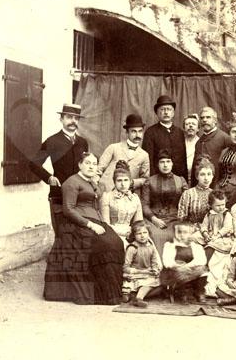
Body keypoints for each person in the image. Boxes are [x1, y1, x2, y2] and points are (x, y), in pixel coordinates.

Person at [43, 152, 124, 305]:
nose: (91, 166)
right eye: (87, 163)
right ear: (80, 164)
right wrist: (90, 225)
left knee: (116, 242)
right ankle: (102, 294)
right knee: (105, 245)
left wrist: (100, 223)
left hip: (95, 220)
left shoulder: (91, 182)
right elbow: (68, 209)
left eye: (94, 164)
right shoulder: (72, 182)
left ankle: (113, 291)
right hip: (77, 224)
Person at [29, 103, 89, 236]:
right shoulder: (52, 141)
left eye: (76, 118)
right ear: (61, 119)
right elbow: (33, 164)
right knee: (64, 234)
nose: (73, 121)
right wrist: (49, 178)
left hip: (80, 196)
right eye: (69, 117)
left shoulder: (83, 142)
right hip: (60, 195)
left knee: (82, 233)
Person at [141, 149, 189, 256]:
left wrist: (181, 218)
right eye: (162, 162)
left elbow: (187, 203)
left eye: (168, 161)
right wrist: (154, 219)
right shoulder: (150, 181)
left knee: (179, 234)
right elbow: (144, 204)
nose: (165, 165)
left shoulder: (180, 181)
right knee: (155, 235)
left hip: (176, 219)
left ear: (172, 163)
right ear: (157, 164)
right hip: (154, 219)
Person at [200, 191, 236, 297]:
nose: (221, 207)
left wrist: (217, 235)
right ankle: (204, 272)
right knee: (198, 241)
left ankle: (217, 281)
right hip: (211, 237)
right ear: (211, 205)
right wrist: (205, 234)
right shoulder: (208, 214)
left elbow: (227, 227)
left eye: (223, 204)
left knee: (213, 251)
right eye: (218, 205)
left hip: (224, 238)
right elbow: (204, 226)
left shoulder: (226, 214)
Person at [98, 113, 150, 193]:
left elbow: (145, 179)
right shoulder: (113, 147)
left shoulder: (144, 155)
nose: (137, 135)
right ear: (127, 132)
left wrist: (132, 182)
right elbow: (99, 169)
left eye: (140, 131)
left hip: (125, 192)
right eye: (133, 131)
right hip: (105, 191)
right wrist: (96, 188)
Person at [160, 222, 208, 303]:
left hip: (190, 270)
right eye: (179, 232)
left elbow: (201, 260)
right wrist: (177, 266)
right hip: (175, 271)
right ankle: (183, 293)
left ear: (190, 234)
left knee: (203, 270)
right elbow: (167, 261)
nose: (182, 235)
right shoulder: (170, 245)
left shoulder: (196, 246)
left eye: (185, 232)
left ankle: (199, 292)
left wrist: (188, 266)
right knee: (180, 272)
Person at [142, 95, 188, 179]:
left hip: (177, 180)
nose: (166, 112)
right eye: (162, 109)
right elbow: (148, 160)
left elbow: (183, 159)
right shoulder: (150, 132)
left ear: (173, 113)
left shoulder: (179, 132)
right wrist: (152, 180)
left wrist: (183, 180)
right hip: (158, 179)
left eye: (169, 109)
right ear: (157, 113)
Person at [99, 160, 143, 243]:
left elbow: (139, 224)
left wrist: (133, 233)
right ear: (114, 182)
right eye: (119, 180)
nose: (123, 184)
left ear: (130, 181)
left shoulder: (135, 198)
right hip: (112, 234)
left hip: (131, 234)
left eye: (126, 180)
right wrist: (123, 233)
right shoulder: (107, 197)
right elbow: (105, 225)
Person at [122, 221, 163, 307]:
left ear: (148, 234)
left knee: (161, 284)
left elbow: (154, 263)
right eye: (139, 233)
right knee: (149, 284)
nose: (142, 236)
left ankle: (132, 294)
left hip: (147, 274)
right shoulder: (132, 248)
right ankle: (138, 298)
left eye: (145, 232)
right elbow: (126, 267)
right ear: (134, 235)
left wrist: (155, 269)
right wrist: (140, 271)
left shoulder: (151, 247)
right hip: (136, 274)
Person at [191, 106, 232, 185]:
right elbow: (194, 167)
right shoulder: (199, 142)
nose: (204, 120)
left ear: (215, 120)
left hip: (219, 184)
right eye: (202, 118)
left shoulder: (224, 138)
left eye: (208, 117)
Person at [178, 157, 214, 226]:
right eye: (202, 174)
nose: (206, 178)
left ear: (212, 176)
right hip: (191, 229)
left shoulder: (214, 194)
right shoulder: (188, 194)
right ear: (197, 176)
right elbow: (181, 218)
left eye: (209, 174)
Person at [183, 113, 200, 179]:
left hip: (196, 177)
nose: (190, 126)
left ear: (198, 128)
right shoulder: (179, 142)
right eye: (187, 124)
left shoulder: (202, 143)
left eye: (193, 124)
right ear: (184, 128)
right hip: (182, 176)